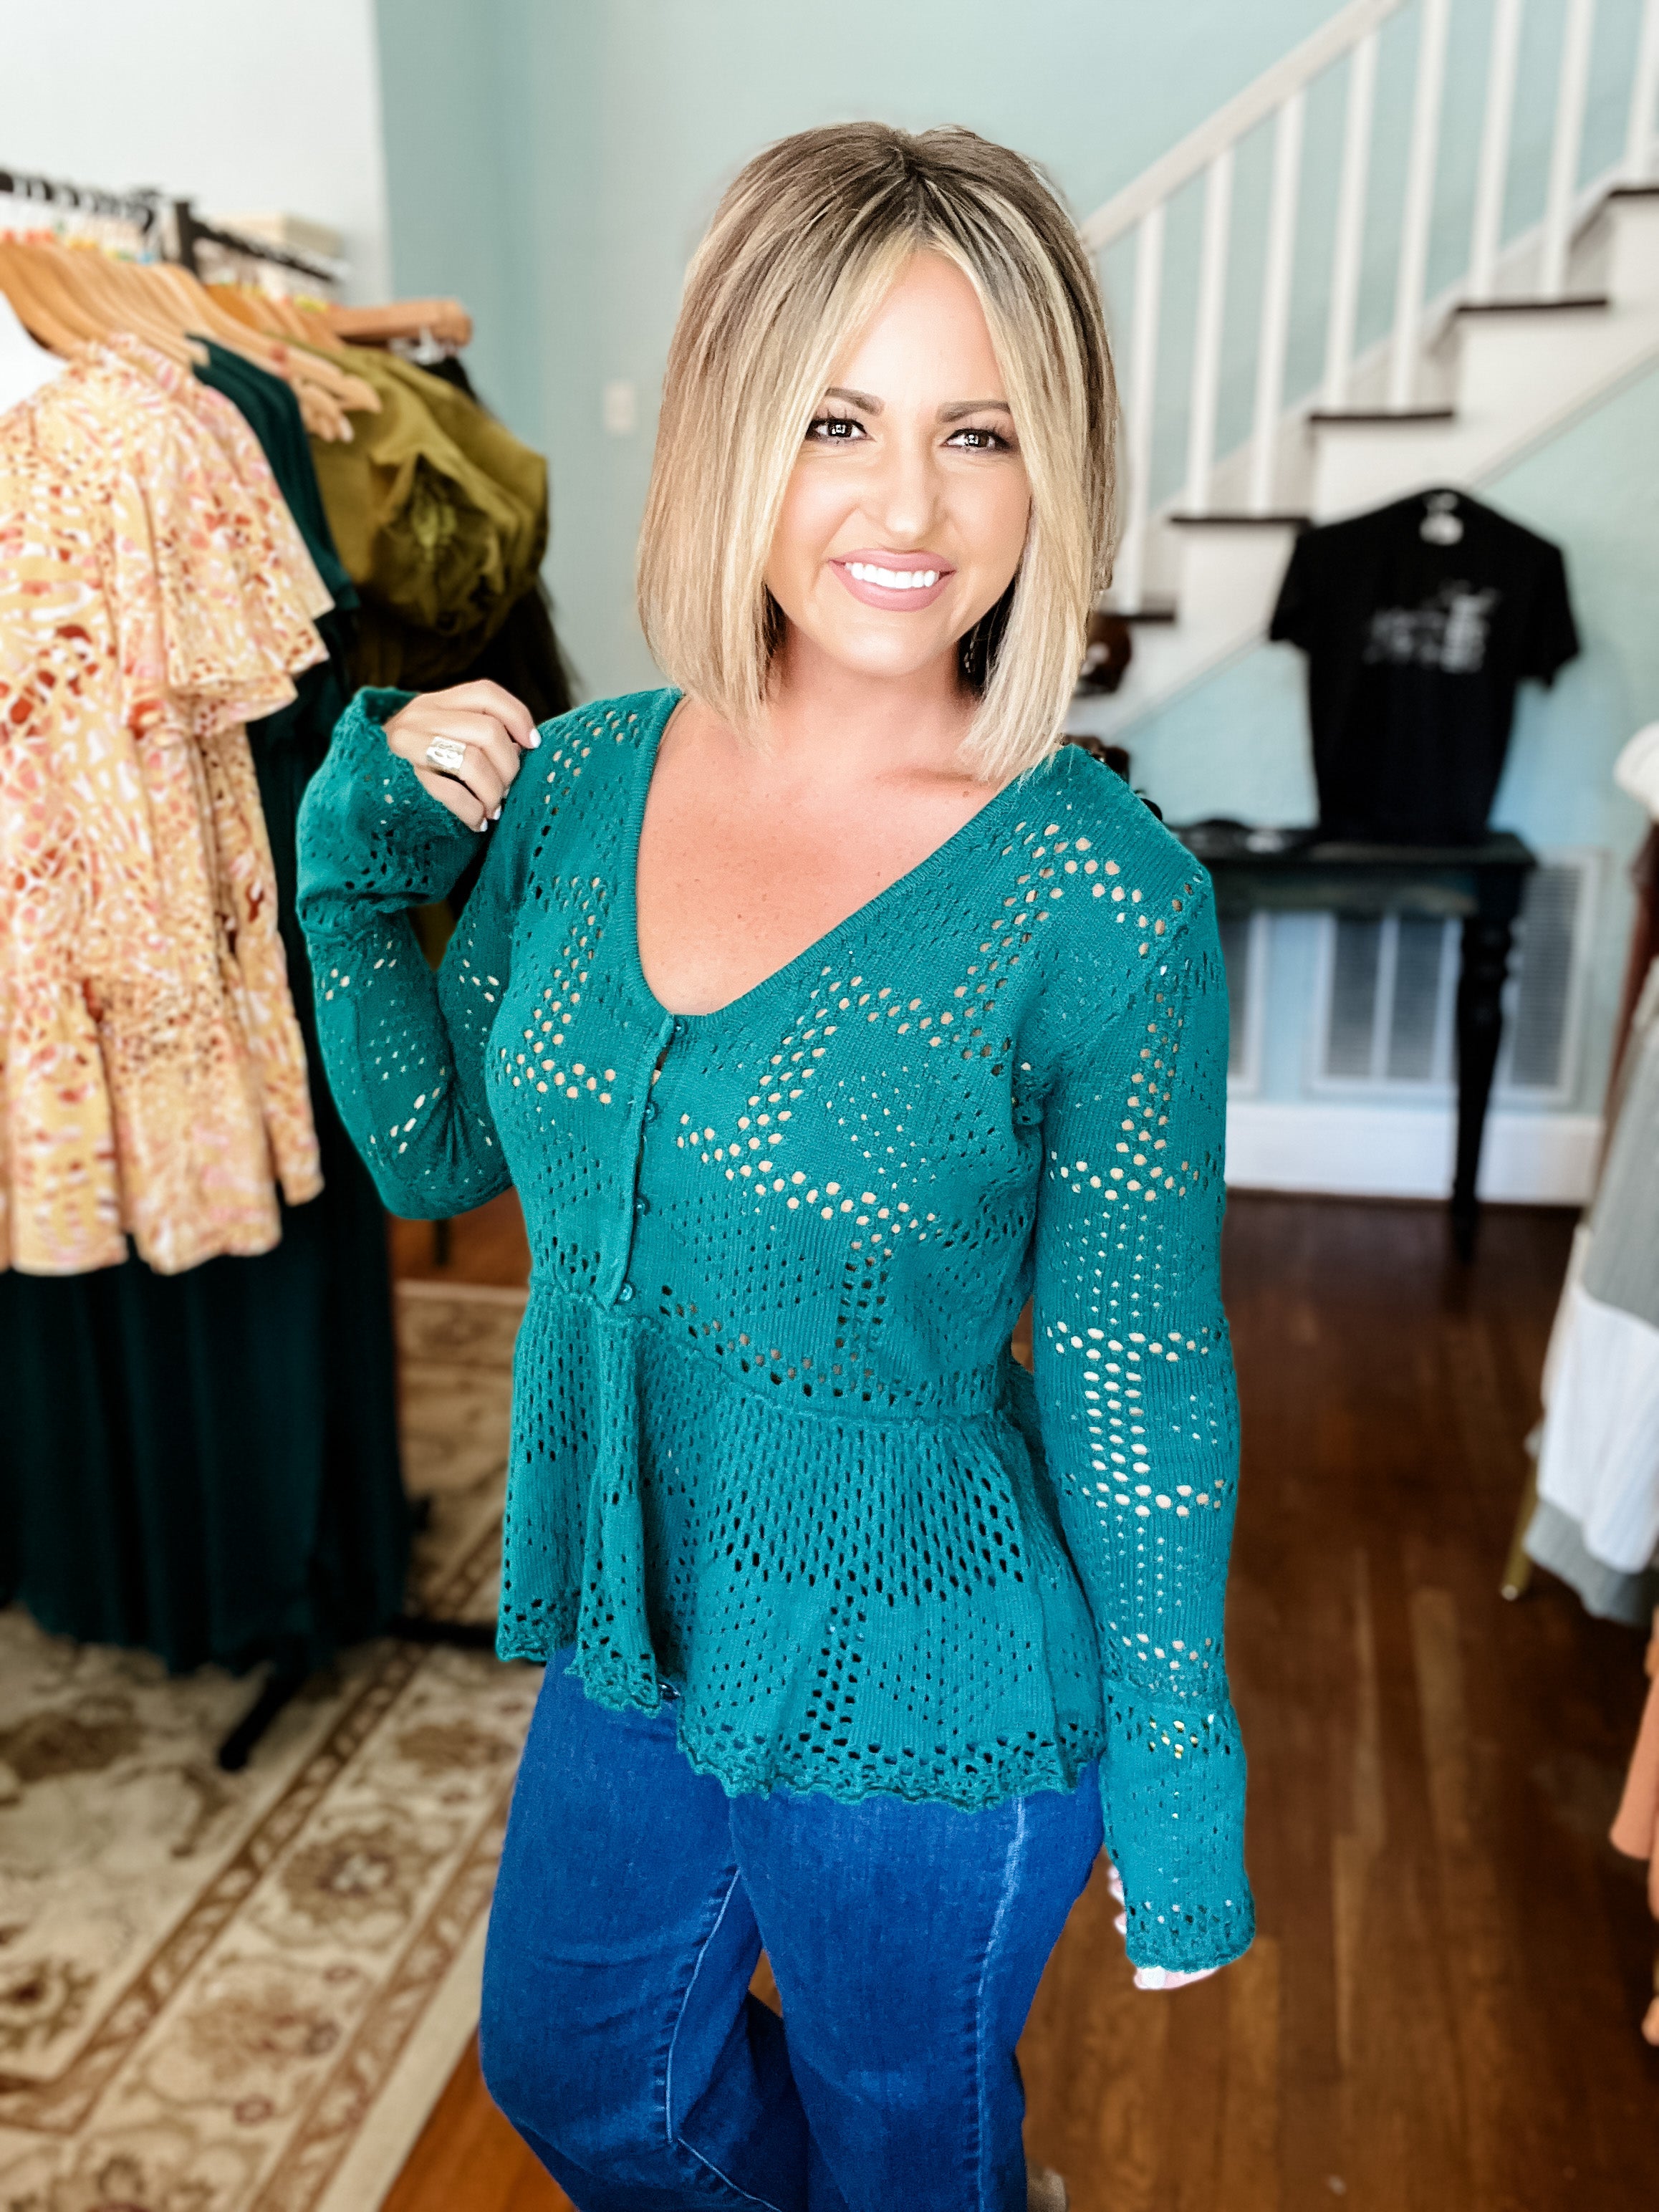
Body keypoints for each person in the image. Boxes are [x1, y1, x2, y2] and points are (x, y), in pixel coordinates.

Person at [297, 121, 1252, 2212]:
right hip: (638, 1627)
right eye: (838, 420)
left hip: (936, 1681)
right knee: (579, 2076)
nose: (910, 508)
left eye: (980, 433)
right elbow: (435, 1156)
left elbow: (1134, 1367)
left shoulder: (1102, 901)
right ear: (733, 426)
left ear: (1054, 467)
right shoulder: (582, 781)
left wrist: (1180, 1765)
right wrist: (358, 879)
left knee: (911, 2154)